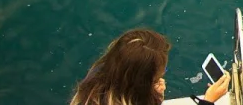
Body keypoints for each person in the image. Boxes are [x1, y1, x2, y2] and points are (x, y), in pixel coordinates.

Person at [69, 29, 231, 105]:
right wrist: (208, 101)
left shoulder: (93, 87)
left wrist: (151, 92)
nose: (162, 79)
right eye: (156, 77)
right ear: (141, 84)